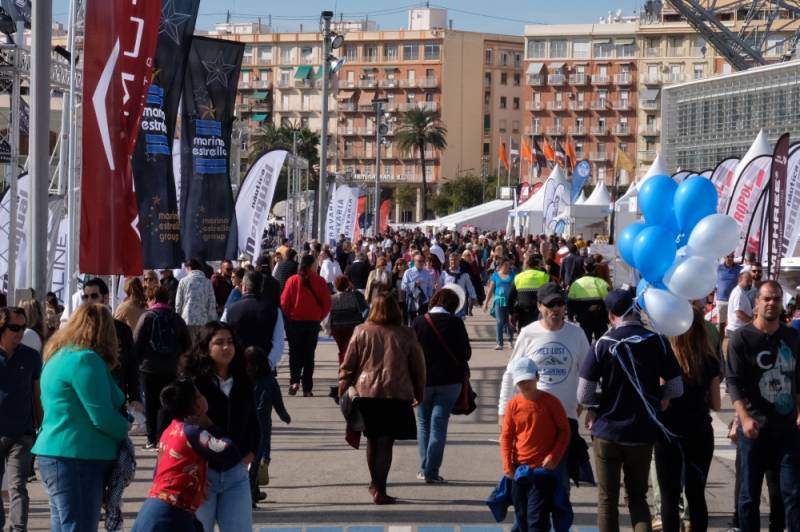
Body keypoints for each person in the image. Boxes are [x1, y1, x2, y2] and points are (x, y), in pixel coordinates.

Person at [577, 289, 684, 532]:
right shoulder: (657, 341)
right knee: (637, 497)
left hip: (607, 431)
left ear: (611, 314)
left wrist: (594, 407)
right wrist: (662, 398)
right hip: (642, 431)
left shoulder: (602, 345)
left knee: (607, 499)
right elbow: (676, 386)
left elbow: (583, 394)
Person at [33, 304, 130, 532]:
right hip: (78, 456)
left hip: (57, 453)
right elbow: (102, 417)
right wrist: (126, 427)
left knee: (66, 526)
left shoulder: (56, 355)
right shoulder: (85, 359)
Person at [499, 282, 589, 494]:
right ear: (539, 306)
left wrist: (584, 401)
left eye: (560, 304)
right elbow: (511, 373)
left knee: (560, 485)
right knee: (530, 485)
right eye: (550, 304)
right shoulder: (528, 333)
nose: (556, 309)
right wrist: (503, 411)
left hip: (565, 418)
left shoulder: (577, 334)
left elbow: (588, 373)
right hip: (531, 419)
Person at [726, 280, 800, 531]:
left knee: (790, 494)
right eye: (766, 298)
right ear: (755, 302)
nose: (771, 303)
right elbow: (734, 383)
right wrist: (743, 418)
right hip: (754, 429)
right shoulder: (741, 338)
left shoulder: (792, 337)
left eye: (776, 299)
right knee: (748, 496)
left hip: (787, 430)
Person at [339, 293, 425, 504]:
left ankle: (375, 485)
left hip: (366, 393)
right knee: (386, 443)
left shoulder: (361, 331)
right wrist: (419, 392)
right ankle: (380, 488)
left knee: (373, 440)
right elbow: (418, 367)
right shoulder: (406, 333)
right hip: (395, 393)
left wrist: (343, 390)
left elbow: (348, 365)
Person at [131, 379, 241, 531]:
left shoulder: (169, 431)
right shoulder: (192, 433)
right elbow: (231, 452)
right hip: (169, 514)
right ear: (196, 404)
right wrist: (210, 426)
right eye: (199, 394)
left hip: (157, 508)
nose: (203, 397)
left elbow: (159, 473)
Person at [180, 322, 259, 531]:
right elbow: (182, 430)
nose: (226, 347)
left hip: (236, 474)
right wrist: (193, 471)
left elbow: (254, 421)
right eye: (219, 343)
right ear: (206, 347)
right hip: (203, 474)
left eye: (230, 342)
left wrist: (251, 451)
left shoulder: (243, 379)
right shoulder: (193, 383)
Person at [654, 307, 721, 532]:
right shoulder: (710, 360)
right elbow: (716, 404)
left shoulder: (665, 360)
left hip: (669, 433)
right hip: (700, 431)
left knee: (669, 496)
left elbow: (663, 397)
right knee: (696, 494)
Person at [500, 357, 571, 532]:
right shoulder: (513, 404)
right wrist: (507, 465)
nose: (525, 385)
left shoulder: (551, 402)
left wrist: (554, 456)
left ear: (537, 377)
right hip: (519, 471)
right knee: (522, 518)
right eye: (520, 382)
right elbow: (506, 436)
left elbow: (564, 431)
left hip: (542, 472)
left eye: (528, 380)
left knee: (536, 520)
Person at [412, 288, 471, 483]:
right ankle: (432, 471)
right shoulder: (456, 323)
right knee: (439, 426)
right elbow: (465, 353)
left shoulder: (419, 321)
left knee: (423, 425)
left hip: (422, 381)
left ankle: (423, 468)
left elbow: (410, 352)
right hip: (449, 381)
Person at [0, 307, 42, 532]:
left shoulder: (31, 356)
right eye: (14, 328)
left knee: (18, 486)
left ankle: (18, 529)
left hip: (22, 435)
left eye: (23, 327)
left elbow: (37, 395)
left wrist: (42, 427)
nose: (19, 332)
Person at [134, 287, 192, 450]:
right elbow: (187, 343)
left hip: (148, 368)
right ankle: (165, 436)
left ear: (152, 299)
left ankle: (152, 439)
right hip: (170, 367)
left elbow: (137, 342)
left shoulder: (146, 317)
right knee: (167, 403)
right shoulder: (176, 318)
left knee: (151, 404)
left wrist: (136, 364)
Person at [83, 278, 140, 410]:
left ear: (105, 298)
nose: (89, 301)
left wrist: (135, 397)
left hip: (116, 395)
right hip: (89, 397)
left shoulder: (122, 330)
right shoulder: (79, 330)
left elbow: (131, 365)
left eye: (94, 296)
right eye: (85, 297)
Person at [243, 346, 290, 506]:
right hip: (262, 426)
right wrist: (285, 417)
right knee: (257, 461)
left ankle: (254, 492)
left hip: (244, 424)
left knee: (251, 459)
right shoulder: (270, 381)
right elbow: (278, 403)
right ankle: (249, 495)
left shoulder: (241, 380)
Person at [280, 254, 332, 396]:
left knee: (294, 353)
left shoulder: (292, 280)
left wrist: (289, 316)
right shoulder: (320, 281)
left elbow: (284, 302)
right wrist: (319, 316)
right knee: (309, 355)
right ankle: (307, 388)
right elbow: (327, 303)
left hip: (294, 322)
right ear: (311, 266)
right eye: (315, 264)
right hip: (312, 322)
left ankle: (294, 381)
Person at [223, 271, 285, 373]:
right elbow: (278, 343)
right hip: (264, 366)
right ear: (261, 288)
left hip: (237, 366)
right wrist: (268, 363)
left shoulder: (230, 309)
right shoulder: (274, 310)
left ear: (244, 287)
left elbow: (222, 336)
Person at [328, 275, 369, 366]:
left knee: (342, 349)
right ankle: (347, 368)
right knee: (350, 349)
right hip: (353, 326)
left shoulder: (331, 298)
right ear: (348, 284)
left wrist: (328, 329)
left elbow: (328, 316)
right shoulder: (354, 296)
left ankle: (343, 366)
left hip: (337, 327)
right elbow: (366, 307)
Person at [175, 259, 218, 341]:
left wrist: (178, 320)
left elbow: (178, 303)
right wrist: (212, 321)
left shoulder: (183, 282)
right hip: (203, 320)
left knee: (189, 346)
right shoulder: (207, 282)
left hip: (187, 319)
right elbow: (212, 303)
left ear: (189, 267)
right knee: (201, 346)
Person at [567, 263, 611, 343]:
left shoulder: (576, 283)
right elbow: (608, 301)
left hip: (584, 318)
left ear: (584, 268)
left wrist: (570, 317)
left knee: (586, 343)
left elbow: (570, 302)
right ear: (594, 268)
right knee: (602, 343)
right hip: (599, 318)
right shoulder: (601, 282)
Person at [507, 254, 550, 331]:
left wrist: (512, 313)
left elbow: (510, 298)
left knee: (524, 336)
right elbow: (551, 295)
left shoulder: (518, 277)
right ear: (538, 265)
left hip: (522, 313)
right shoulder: (544, 276)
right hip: (539, 313)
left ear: (526, 265)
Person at [484, 258, 516, 350]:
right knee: (499, 322)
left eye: (508, 265)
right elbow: (490, 290)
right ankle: (499, 343)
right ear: (500, 265)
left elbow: (516, 288)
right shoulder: (495, 275)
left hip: (510, 302)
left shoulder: (513, 275)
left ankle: (510, 341)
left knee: (509, 322)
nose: (507, 267)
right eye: (505, 265)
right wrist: (486, 302)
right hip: (499, 301)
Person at [441, 252, 477, 319]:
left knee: (458, 321)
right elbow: (440, 287)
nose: (453, 261)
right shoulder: (444, 273)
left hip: (460, 300)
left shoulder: (464, 274)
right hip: (447, 300)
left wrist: (473, 297)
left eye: (455, 260)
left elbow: (470, 287)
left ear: (459, 261)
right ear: (449, 261)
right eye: (451, 260)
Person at [401, 252, 433, 326]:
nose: (421, 263)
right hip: (412, 301)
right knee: (412, 322)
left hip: (424, 301)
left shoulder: (427, 273)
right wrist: (414, 284)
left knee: (424, 322)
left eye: (422, 261)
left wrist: (429, 297)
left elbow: (430, 287)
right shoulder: (408, 272)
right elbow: (403, 286)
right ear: (414, 261)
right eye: (419, 261)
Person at [716, 253, 742, 335]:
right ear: (724, 257)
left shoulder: (739, 268)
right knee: (721, 324)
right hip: (721, 301)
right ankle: (719, 344)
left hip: (734, 301)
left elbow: (749, 270)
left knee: (734, 324)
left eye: (732, 257)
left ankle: (733, 344)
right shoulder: (718, 268)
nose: (730, 258)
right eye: (728, 256)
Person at [726, 270, 753, 336]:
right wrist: (752, 321)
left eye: (751, 281)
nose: (750, 283)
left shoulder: (740, 292)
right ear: (740, 279)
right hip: (737, 330)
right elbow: (739, 313)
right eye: (747, 281)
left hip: (737, 329)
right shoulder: (739, 294)